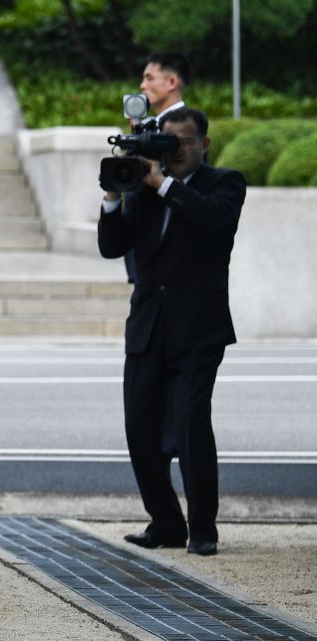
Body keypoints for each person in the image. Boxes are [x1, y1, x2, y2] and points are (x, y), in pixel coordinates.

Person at [97, 108, 246, 557]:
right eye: (168, 140)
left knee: (189, 424)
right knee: (139, 429)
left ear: (204, 144)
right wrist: (112, 195)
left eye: (182, 142)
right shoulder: (144, 187)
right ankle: (165, 522)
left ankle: (203, 528)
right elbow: (111, 247)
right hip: (147, 326)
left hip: (199, 328)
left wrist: (161, 182)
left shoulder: (224, 183)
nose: (175, 149)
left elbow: (210, 218)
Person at [125, 52, 190, 283]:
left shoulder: (188, 126)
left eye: (149, 78)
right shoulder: (152, 126)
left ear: (171, 82)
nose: (142, 85)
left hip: (171, 260)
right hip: (146, 258)